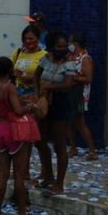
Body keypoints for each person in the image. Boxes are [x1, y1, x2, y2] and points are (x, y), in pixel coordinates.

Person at [0, 56, 37, 215]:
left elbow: (5, 106)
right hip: (14, 130)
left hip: (0, 129)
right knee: (19, 174)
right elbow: (17, 111)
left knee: (2, 173)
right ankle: (22, 214)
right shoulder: (9, 87)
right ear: (10, 70)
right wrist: (29, 107)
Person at [34, 31, 78, 195]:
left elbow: (68, 84)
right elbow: (36, 75)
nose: (63, 49)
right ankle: (48, 176)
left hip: (61, 105)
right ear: (51, 47)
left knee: (59, 145)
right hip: (45, 103)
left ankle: (59, 184)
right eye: (59, 46)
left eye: (65, 46)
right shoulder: (45, 59)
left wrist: (49, 87)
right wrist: (38, 92)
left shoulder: (70, 63)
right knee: (40, 141)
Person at [11, 25, 49, 183]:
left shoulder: (44, 55)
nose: (28, 42)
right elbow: (11, 68)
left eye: (31, 39)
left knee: (36, 137)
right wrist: (17, 74)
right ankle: (23, 171)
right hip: (18, 95)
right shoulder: (19, 52)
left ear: (38, 39)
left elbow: (45, 77)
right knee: (21, 137)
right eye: (26, 39)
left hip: (34, 96)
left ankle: (45, 172)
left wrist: (31, 78)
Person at [67, 33, 98, 160]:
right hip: (69, 92)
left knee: (80, 123)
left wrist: (76, 77)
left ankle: (92, 150)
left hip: (79, 94)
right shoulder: (71, 56)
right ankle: (73, 148)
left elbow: (89, 78)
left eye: (70, 43)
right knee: (69, 122)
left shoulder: (85, 59)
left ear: (76, 44)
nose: (69, 45)